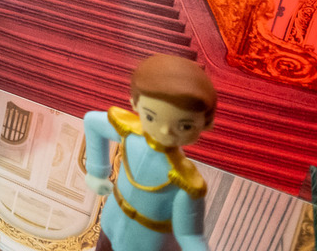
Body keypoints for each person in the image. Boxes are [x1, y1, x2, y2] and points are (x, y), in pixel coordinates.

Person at [83, 54, 217, 251]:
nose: (165, 131)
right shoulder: (130, 133)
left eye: (185, 126)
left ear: (206, 124)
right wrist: (96, 172)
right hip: (111, 224)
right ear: (134, 103)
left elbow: (188, 234)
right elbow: (92, 122)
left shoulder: (185, 181)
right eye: (151, 117)